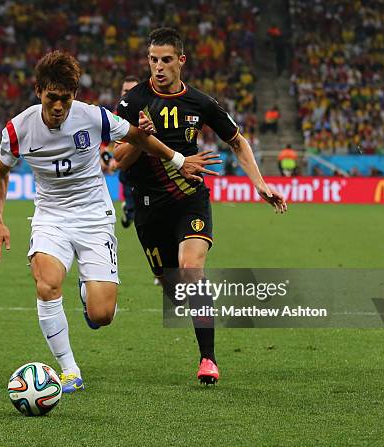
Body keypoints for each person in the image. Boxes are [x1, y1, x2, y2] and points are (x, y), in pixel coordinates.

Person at [0, 50, 218, 394]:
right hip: (51, 216)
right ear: (38, 91)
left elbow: (137, 138)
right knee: (47, 283)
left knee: (102, 315)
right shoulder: (18, 129)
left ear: (74, 95)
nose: (58, 107)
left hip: (94, 217)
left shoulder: (94, 117)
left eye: (65, 99)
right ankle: (69, 370)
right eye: (52, 98)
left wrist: (177, 158)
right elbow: (0, 174)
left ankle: (86, 294)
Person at [115, 28, 287, 385]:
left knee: (191, 270)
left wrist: (260, 184)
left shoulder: (200, 102)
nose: (158, 67)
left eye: (165, 60)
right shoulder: (133, 103)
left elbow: (237, 142)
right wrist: (140, 137)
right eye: (152, 60)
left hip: (190, 199)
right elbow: (119, 160)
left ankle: (208, 359)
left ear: (181, 61)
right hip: (149, 207)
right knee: (171, 285)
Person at [116, 75, 140, 228]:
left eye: (132, 91)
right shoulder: (116, 116)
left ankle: (129, 210)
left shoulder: (152, 112)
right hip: (130, 168)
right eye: (125, 91)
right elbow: (115, 152)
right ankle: (130, 211)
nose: (128, 94)